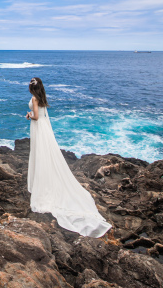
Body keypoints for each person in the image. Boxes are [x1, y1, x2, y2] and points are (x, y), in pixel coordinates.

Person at [26, 77, 111, 237]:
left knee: (40, 155)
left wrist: (29, 115)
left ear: (31, 88)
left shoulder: (34, 98)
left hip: (38, 127)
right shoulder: (42, 97)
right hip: (44, 129)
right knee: (46, 155)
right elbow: (42, 115)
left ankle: (42, 186)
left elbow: (36, 116)